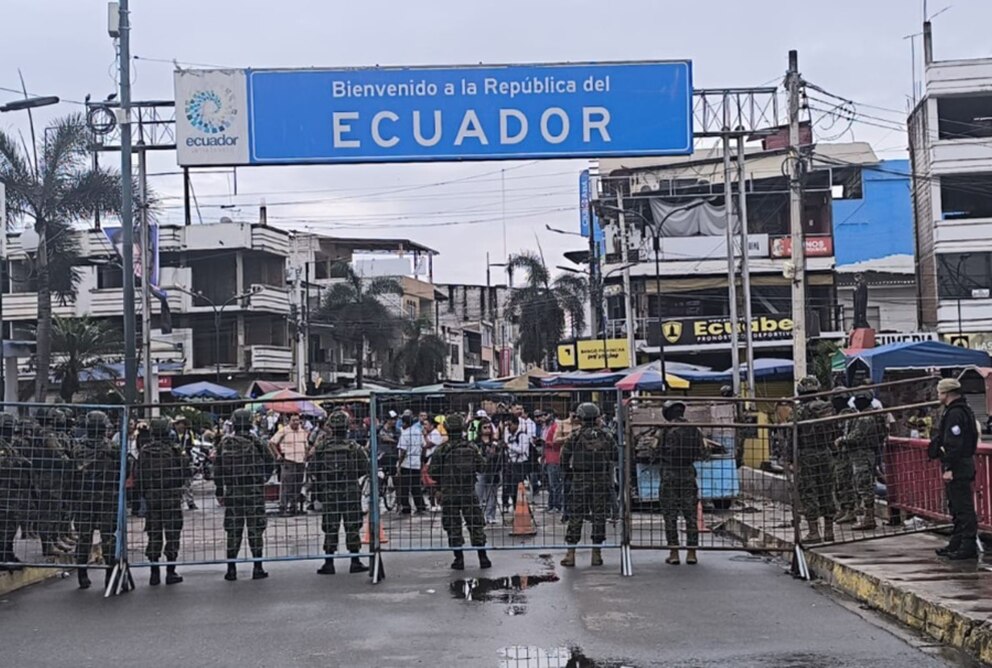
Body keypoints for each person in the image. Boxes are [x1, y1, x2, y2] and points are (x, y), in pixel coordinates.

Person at [308, 410, 370, 575]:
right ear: (347, 427)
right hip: (350, 491)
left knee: (330, 526)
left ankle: (329, 563)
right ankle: (355, 561)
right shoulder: (354, 447)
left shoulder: (322, 447)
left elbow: (313, 468)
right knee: (352, 526)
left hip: (330, 492)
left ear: (330, 427)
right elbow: (364, 468)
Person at [428, 413, 491, 570]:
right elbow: (482, 467)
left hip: (449, 494)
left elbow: (433, 472)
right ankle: (483, 557)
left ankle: (459, 559)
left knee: (453, 526)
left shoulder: (442, 450)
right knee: (475, 524)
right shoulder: (472, 447)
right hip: (468, 492)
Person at [215, 409, 271, 581]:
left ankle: (231, 569)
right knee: (255, 530)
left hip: (233, 492)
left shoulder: (225, 443)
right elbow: (270, 461)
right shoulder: (257, 442)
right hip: (253, 492)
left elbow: (217, 468)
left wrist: (220, 489)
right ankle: (257, 567)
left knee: (233, 531)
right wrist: (263, 479)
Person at [560, 402, 617, 568]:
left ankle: (570, 554)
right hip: (600, 479)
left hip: (580, 478)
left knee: (576, 514)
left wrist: (569, 473)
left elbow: (564, 457)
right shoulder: (606, 436)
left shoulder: (575, 436)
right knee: (599, 515)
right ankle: (596, 554)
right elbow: (615, 454)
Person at [929, 378, 980, 560]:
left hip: (958, 465)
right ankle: (957, 542)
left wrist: (949, 466)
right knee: (956, 506)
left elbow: (954, 443)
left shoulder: (955, 414)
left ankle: (967, 545)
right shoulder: (962, 410)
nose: (938, 396)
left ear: (946, 393)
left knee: (963, 507)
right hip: (962, 463)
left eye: (939, 392)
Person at [72, 411, 120, 590]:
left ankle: (82, 574)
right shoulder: (112, 447)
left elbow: (70, 472)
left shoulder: (77, 447)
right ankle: (110, 575)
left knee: (84, 536)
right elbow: (124, 467)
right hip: (107, 497)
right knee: (108, 536)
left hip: (83, 497)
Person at [136, 417, 186, 586]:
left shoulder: (145, 451)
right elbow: (185, 471)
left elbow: (138, 475)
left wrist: (145, 494)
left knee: (154, 533)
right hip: (171, 497)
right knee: (172, 534)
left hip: (152, 498)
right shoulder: (175, 450)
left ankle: (154, 572)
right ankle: (170, 571)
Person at [657, 400, 707, 566]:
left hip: (669, 475)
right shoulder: (694, 429)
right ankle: (692, 553)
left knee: (670, 515)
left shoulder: (664, 430)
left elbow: (654, 451)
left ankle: (674, 553)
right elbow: (703, 452)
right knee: (691, 515)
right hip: (688, 474)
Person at [791, 376, 837, 544]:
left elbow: (791, 436)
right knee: (826, 490)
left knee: (808, 492)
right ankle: (829, 531)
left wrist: (789, 458)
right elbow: (835, 430)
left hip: (806, 454)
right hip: (825, 452)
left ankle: (814, 532)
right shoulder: (827, 407)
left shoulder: (799, 411)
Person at [835, 391, 887, 531]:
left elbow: (856, 436)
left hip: (863, 454)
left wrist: (842, 440)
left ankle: (869, 518)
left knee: (864, 486)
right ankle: (863, 515)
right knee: (859, 484)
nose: (856, 402)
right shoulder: (866, 415)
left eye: (859, 399)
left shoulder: (866, 418)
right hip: (861, 454)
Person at [0, 414, 31, 571]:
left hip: (13, 490)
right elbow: (4, 463)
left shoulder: (9, 444)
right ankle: (2, 556)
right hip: (3, 490)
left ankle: (8, 552)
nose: (9, 431)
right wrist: (20, 462)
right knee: (3, 524)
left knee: (12, 524)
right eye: (7, 428)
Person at [269, 413, 308, 517]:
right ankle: (283, 507)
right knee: (287, 486)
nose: (296, 422)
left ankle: (294, 507)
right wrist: (277, 455)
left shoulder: (303, 431)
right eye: (293, 420)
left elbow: (306, 445)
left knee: (297, 486)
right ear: (289, 421)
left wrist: (306, 455)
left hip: (300, 461)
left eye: (297, 420)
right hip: (288, 461)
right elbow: (272, 443)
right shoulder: (284, 430)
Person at [830, 386, 858, 525]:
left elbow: (848, 434)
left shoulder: (849, 414)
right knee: (838, 482)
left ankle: (849, 510)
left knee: (845, 482)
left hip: (846, 453)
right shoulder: (835, 413)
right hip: (837, 453)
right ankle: (842, 508)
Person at [501, 415, 533, 512]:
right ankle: (515, 508)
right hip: (511, 464)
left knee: (519, 488)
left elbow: (522, 450)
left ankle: (524, 509)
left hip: (520, 464)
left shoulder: (522, 436)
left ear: (516, 424)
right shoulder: (510, 436)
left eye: (510, 425)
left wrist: (509, 446)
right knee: (510, 488)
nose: (508, 427)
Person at [396, 413, 426, 514]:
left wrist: (399, 464)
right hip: (416, 463)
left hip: (406, 463)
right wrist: (422, 460)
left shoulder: (405, 434)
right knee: (416, 486)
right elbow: (424, 446)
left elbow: (403, 451)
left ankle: (406, 507)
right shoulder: (418, 432)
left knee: (404, 487)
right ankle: (420, 506)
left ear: (405, 423)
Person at [474, 422, 501, 524]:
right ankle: (478, 516)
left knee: (492, 495)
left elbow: (498, 455)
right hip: (480, 471)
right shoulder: (476, 443)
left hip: (492, 470)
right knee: (478, 495)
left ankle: (490, 516)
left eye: (489, 427)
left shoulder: (494, 443)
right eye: (484, 427)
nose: (487, 429)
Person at [541, 412, 564, 513]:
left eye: (545, 415)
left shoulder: (555, 427)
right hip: (548, 457)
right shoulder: (546, 427)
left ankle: (557, 505)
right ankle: (551, 505)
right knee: (550, 484)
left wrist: (547, 443)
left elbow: (556, 442)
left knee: (555, 483)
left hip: (554, 458)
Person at [173, 416, 197, 510]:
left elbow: (191, 445)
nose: (181, 426)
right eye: (179, 423)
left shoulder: (188, 433)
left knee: (188, 482)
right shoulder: (172, 434)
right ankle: (178, 501)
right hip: (175, 461)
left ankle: (190, 502)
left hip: (186, 460)